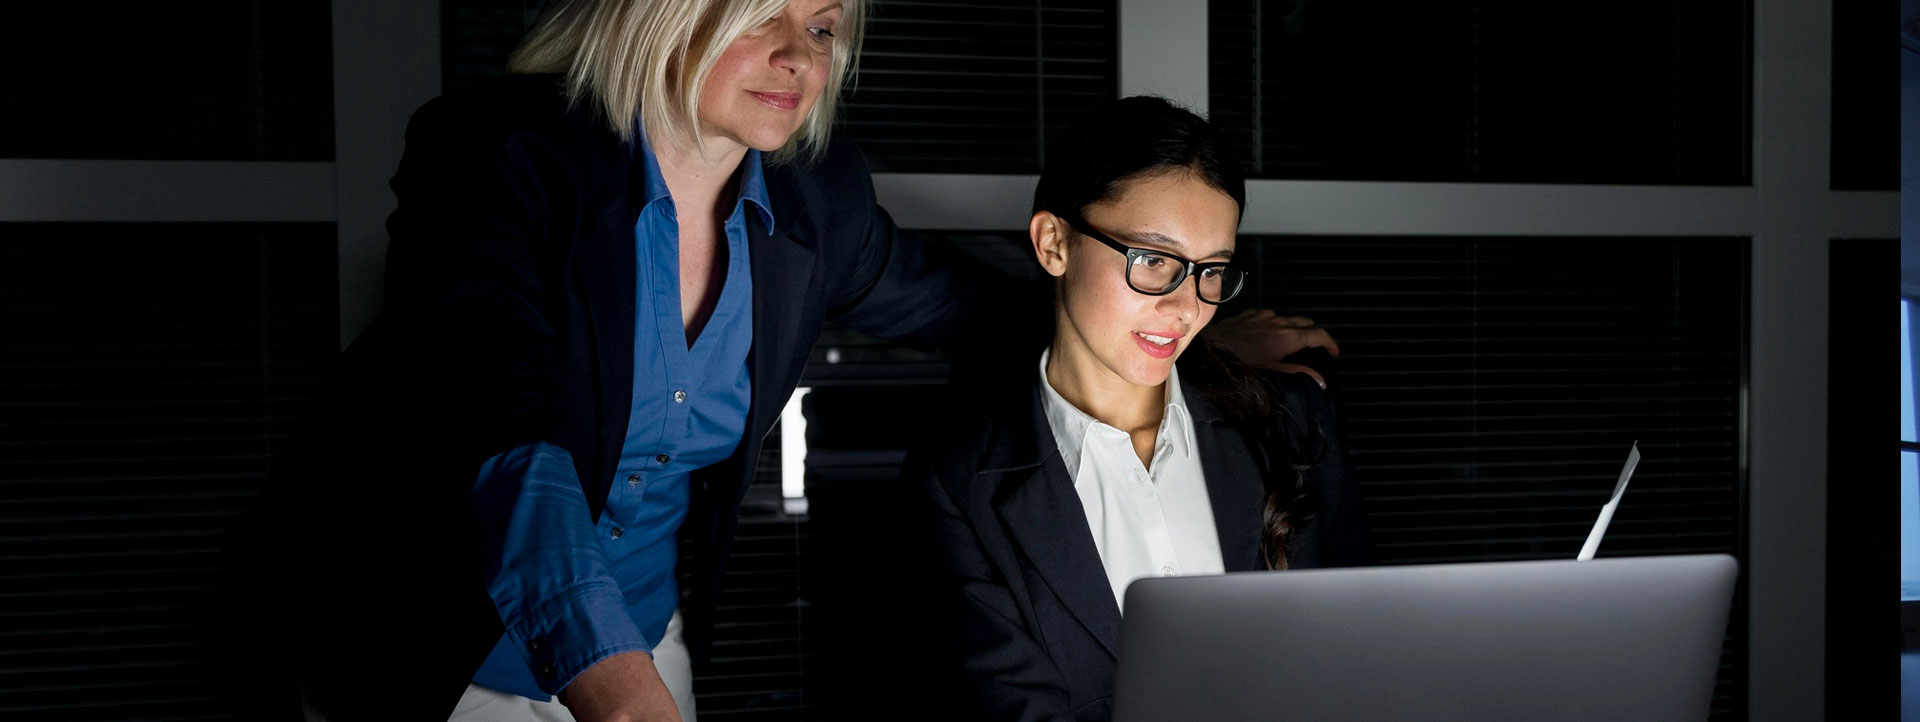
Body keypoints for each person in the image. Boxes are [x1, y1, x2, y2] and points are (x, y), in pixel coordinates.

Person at [242, 1, 1337, 720]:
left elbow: (984, 307)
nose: (799, 56)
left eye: (820, 26)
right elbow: (505, 431)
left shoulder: (819, 202)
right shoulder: (501, 156)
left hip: (648, 633)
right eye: (760, 14)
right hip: (429, 634)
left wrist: (1185, 318)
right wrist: (615, 690)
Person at [908, 96, 1376, 722]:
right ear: (1054, 243)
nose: (1187, 308)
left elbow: (1362, 656)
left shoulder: (1292, 425)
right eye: (1153, 260)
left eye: (1212, 270)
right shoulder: (961, 484)